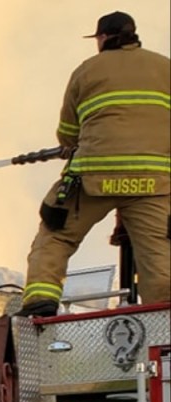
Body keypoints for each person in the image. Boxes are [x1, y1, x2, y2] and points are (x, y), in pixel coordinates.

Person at [19, 11, 170, 317]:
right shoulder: (165, 67)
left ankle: (40, 301)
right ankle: (163, 317)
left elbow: (68, 133)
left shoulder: (87, 71)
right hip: (153, 183)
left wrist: (71, 145)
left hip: (93, 179)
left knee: (55, 234)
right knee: (159, 255)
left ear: (102, 38)